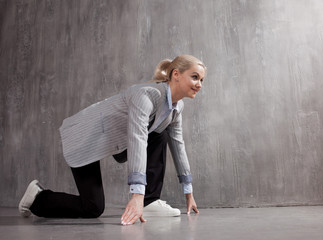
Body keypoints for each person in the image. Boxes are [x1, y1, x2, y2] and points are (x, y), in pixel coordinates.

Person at [18, 54, 207, 225]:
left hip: (115, 140)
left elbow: (178, 145)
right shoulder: (146, 95)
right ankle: (37, 197)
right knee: (92, 208)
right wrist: (136, 195)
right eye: (195, 77)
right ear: (176, 74)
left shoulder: (176, 107)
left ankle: (150, 202)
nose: (199, 84)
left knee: (161, 133)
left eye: (202, 79)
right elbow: (137, 139)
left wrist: (188, 193)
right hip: (86, 135)